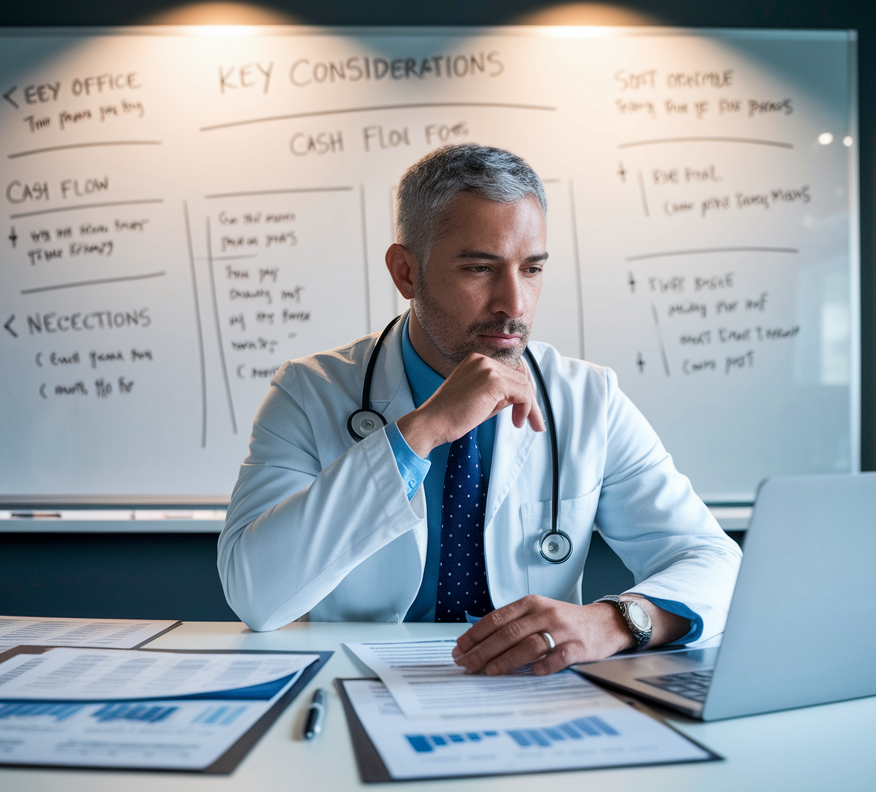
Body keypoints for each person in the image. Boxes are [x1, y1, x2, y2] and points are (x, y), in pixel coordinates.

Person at [218, 144, 741, 676]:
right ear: (406, 273)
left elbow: (713, 561)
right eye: (478, 268)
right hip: (362, 681)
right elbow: (257, 596)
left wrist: (615, 621)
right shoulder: (312, 392)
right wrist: (419, 432)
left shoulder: (589, 399)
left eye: (532, 268)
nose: (514, 304)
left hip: (533, 692)